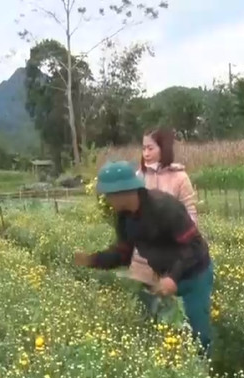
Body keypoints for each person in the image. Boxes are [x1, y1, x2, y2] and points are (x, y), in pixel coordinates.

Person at [74, 160, 214, 357]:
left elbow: (194, 246)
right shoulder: (124, 217)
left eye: (108, 194)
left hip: (194, 275)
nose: (105, 198)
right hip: (165, 276)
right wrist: (92, 260)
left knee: (199, 335)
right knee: (171, 333)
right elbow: (123, 254)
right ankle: (182, 374)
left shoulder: (164, 208)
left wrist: (173, 277)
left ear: (123, 192)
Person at [130, 128, 198, 318]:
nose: (146, 153)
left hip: (172, 258)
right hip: (144, 260)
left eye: (150, 148)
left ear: (164, 148)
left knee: (173, 313)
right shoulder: (138, 177)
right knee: (145, 311)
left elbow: (191, 215)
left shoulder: (180, 178)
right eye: (143, 149)